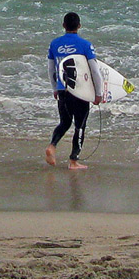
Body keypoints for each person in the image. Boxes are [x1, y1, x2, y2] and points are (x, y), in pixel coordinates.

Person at [45, 12, 103, 170]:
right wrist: (98, 93)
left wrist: (55, 88)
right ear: (79, 26)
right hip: (80, 91)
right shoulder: (85, 45)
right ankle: (73, 161)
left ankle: (52, 145)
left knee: (64, 122)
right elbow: (95, 71)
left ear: (63, 25)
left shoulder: (55, 44)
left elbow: (51, 69)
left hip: (63, 89)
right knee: (80, 126)